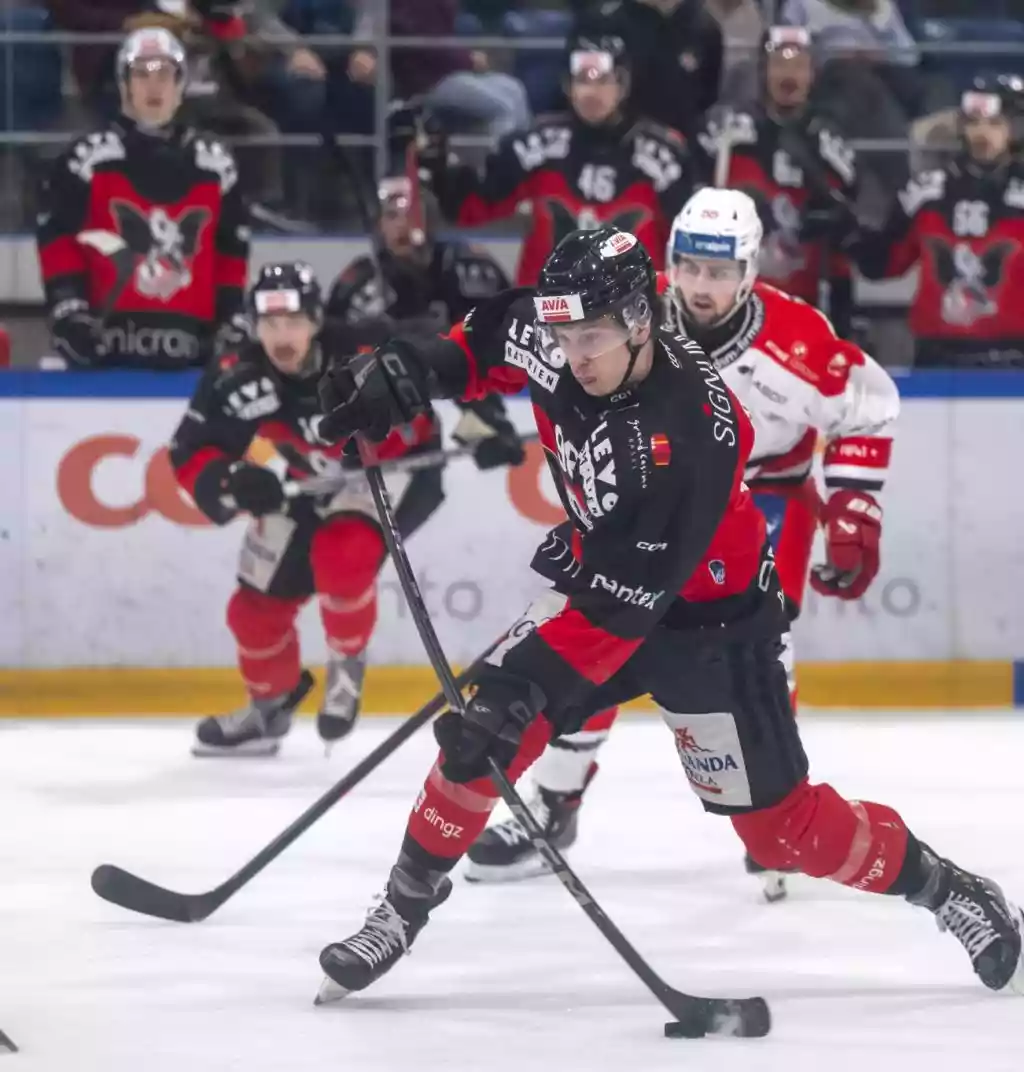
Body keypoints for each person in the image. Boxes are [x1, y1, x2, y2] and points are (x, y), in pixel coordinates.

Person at [311, 226, 1024, 1002]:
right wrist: (402, 372)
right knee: (486, 739)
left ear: (639, 322)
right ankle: (399, 911)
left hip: (713, 624)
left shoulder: (688, 433)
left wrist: (512, 701)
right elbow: (481, 343)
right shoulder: (563, 332)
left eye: (591, 338)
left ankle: (949, 889)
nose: (573, 356)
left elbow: (623, 609)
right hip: (605, 585)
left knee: (780, 834)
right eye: (563, 337)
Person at [464, 187, 896, 901]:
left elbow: (869, 403)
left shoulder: (798, 340)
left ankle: (777, 809)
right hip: (642, 514)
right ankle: (553, 807)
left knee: (763, 662)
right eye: (689, 266)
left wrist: (853, 506)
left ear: (750, 270)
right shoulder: (625, 308)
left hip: (756, 509)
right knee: (591, 647)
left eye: (720, 271)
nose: (699, 286)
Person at [169, 262, 525, 756]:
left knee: (343, 554)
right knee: (252, 610)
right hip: (308, 480)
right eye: (270, 323)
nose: (282, 336)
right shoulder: (236, 374)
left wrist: (486, 424)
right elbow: (190, 450)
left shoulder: (363, 345)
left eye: (293, 321)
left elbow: (447, 358)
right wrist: (233, 481)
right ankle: (269, 706)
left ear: (316, 320)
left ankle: (347, 662)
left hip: (392, 467)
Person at [35, 27, 250, 370]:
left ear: (181, 85)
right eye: (141, 74)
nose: (154, 86)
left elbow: (230, 251)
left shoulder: (216, 164)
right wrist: (68, 307)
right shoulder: (86, 160)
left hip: (192, 359)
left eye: (164, 73)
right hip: (105, 358)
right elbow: (57, 238)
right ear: (124, 85)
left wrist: (231, 316)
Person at [419, 33, 697, 285]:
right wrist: (441, 170)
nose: (590, 92)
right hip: (545, 310)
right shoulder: (536, 143)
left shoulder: (666, 154)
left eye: (602, 80)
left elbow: (689, 247)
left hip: (633, 312)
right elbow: (471, 208)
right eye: (582, 80)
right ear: (567, 85)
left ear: (623, 86)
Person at [850, 75, 1024, 368]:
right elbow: (881, 266)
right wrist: (854, 233)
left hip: (1013, 361)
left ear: (1014, 129)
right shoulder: (927, 191)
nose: (982, 134)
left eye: (994, 124)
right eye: (974, 123)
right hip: (937, 358)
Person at [698, 26, 859, 334]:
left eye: (799, 65)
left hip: (805, 299)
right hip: (737, 302)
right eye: (780, 64)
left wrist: (832, 216)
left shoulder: (829, 139)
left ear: (812, 74)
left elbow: (849, 219)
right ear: (763, 70)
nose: (789, 75)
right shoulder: (727, 131)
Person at [326, 175, 510, 344]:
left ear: (430, 219)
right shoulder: (360, 282)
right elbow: (329, 339)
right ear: (380, 225)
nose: (402, 225)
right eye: (392, 216)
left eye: (411, 214)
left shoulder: (470, 268)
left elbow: (504, 331)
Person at [570, 0, 724, 143]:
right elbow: (584, 94)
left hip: (682, 145)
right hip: (614, 144)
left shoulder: (704, 27)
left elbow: (706, 100)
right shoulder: (602, 24)